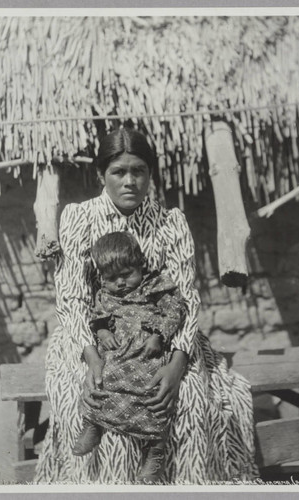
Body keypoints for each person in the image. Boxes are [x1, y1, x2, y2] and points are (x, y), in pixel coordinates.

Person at [34, 127, 258, 484]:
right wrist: (91, 357)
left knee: (186, 398)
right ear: (101, 175)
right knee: (93, 394)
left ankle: (180, 481)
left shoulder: (171, 223)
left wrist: (177, 362)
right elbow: (72, 297)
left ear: (150, 174)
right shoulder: (79, 218)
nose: (130, 182)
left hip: (164, 335)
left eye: (138, 171)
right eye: (118, 172)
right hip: (97, 337)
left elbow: (185, 296)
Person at [72, 231, 185, 483]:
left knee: (153, 391)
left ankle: (155, 449)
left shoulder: (156, 286)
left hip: (147, 353)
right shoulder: (106, 295)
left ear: (141, 265)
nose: (120, 283)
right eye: (112, 278)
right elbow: (96, 318)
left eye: (126, 275)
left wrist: (158, 336)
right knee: (103, 380)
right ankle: (94, 424)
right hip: (117, 353)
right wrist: (102, 333)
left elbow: (175, 310)